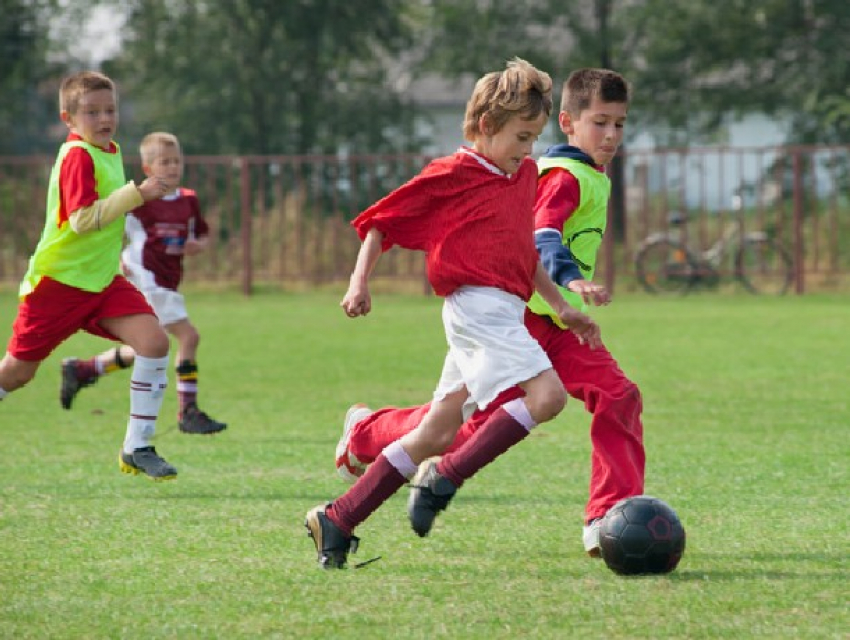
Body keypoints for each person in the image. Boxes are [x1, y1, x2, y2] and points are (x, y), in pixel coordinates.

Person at [305, 58, 602, 569]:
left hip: (503, 311)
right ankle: (446, 478)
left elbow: (524, 255)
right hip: (475, 306)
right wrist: (359, 283)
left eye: (534, 138)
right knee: (548, 397)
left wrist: (560, 307)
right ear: (487, 127)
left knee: (436, 432)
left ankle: (339, 517)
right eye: (521, 137)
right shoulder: (451, 173)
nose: (528, 150)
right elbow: (381, 224)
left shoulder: (524, 174)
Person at [0, 71, 177, 480]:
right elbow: (81, 221)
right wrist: (139, 194)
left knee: (153, 342)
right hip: (57, 285)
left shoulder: (109, 150)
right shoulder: (78, 155)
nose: (103, 118)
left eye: (110, 109)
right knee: (17, 373)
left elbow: (109, 210)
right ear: (69, 119)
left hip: (100, 282)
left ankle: (138, 447)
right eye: (92, 112)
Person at [60, 132, 226, 436]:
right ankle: (188, 411)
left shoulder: (189, 200)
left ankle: (84, 369)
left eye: (176, 161)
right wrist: (116, 258)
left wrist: (197, 245)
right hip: (144, 277)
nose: (173, 167)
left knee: (149, 346)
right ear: (148, 168)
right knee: (188, 337)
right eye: (165, 162)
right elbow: (107, 223)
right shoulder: (140, 199)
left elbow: (202, 233)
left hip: (168, 282)